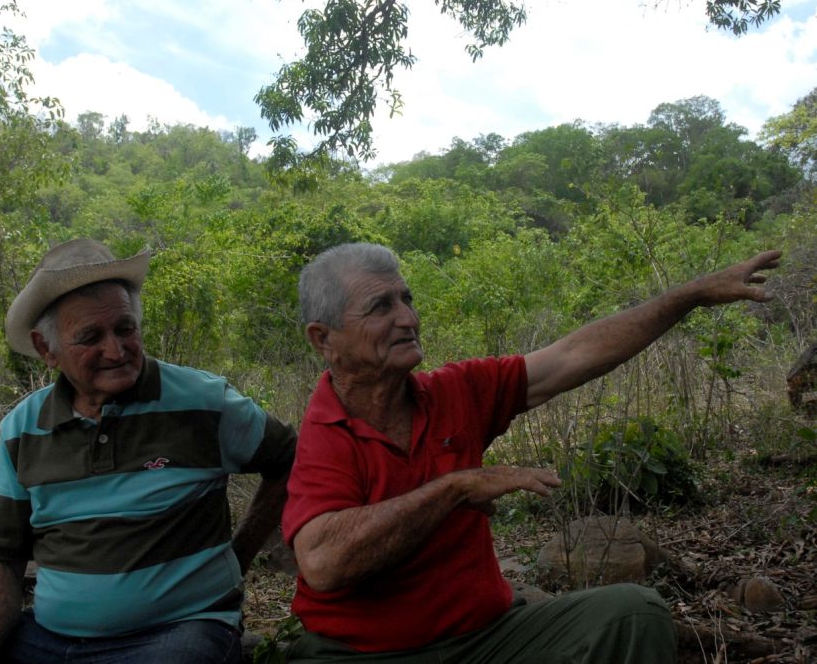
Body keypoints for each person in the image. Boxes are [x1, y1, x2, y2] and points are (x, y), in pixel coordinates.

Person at [282, 242, 782, 664]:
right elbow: (324, 563)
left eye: (406, 299)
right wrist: (455, 488)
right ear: (324, 339)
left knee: (635, 612)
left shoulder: (458, 391)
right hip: (362, 653)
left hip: (487, 640)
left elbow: (574, 356)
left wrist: (687, 297)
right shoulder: (326, 431)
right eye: (380, 307)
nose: (408, 318)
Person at [0, 238, 297, 664]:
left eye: (125, 329)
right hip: (50, 640)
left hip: (178, 632)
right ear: (47, 349)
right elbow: (0, 559)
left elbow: (288, 457)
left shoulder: (204, 403)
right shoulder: (22, 429)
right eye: (90, 337)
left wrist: (238, 554)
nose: (115, 350)